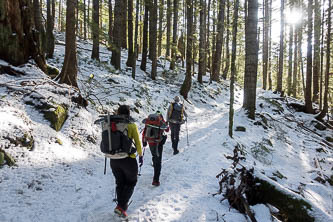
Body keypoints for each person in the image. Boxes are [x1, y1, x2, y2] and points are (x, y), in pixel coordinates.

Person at [110, 105, 143, 218]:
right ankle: (121, 207)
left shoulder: (111, 124)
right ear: (129, 114)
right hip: (128, 159)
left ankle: (121, 207)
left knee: (120, 183)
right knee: (131, 182)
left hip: (113, 160)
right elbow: (138, 143)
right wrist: (140, 155)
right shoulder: (131, 125)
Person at [142, 111, 169, 186]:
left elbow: (144, 131)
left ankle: (155, 164)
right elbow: (167, 130)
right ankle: (156, 180)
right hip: (158, 143)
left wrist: (144, 141)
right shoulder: (160, 120)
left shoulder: (149, 121)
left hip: (150, 142)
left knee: (154, 156)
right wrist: (166, 124)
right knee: (158, 160)